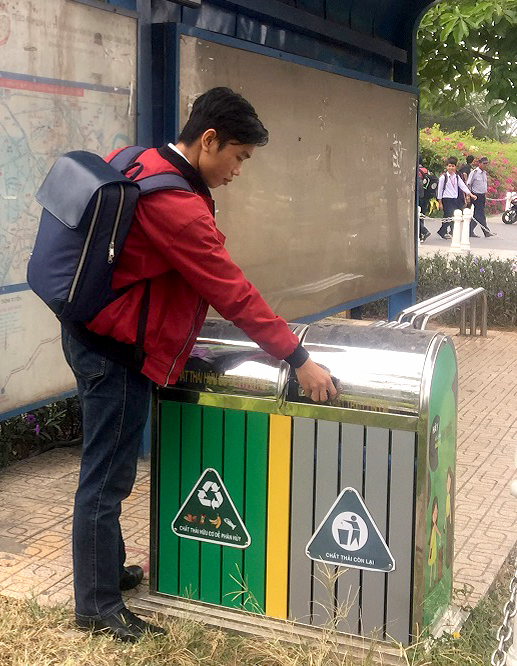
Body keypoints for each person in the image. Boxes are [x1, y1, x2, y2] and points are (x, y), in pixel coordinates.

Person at [62, 87, 337, 642]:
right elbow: (232, 292)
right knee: (106, 479)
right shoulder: (177, 206)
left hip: (91, 333)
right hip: (116, 353)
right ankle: (96, 606)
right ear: (208, 140)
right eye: (238, 156)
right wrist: (298, 357)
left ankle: (107, 573)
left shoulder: (142, 159)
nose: (239, 170)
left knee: (108, 465)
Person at [436, 157, 475, 240]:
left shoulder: (456, 177)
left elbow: (462, 186)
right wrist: (440, 202)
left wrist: (470, 194)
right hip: (446, 199)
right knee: (450, 215)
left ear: (455, 167)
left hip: (454, 198)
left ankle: (443, 231)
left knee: (449, 216)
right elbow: (439, 190)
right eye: (449, 166)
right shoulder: (443, 177)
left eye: (453, 166)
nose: (451, 168)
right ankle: (444, 231)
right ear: (446, 167)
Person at [465, 156, 494, 237]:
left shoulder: (484, 173)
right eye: (484, 163)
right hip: (475, 195)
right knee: (480, 214)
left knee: (478, 215)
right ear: (479, 164)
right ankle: (486, 231)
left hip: (482, 195)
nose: (485, 165)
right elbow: (468, 184)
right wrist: (469, 195)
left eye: (486, 163)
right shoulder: (474, 172)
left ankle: (470, 231)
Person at [417, 163, 434, 242]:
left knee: (416, 216)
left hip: (419, 197)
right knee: (422, 216)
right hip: (426, 197)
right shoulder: (427, 171)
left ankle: (423, 232)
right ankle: (421, 235)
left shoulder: (417, 171)